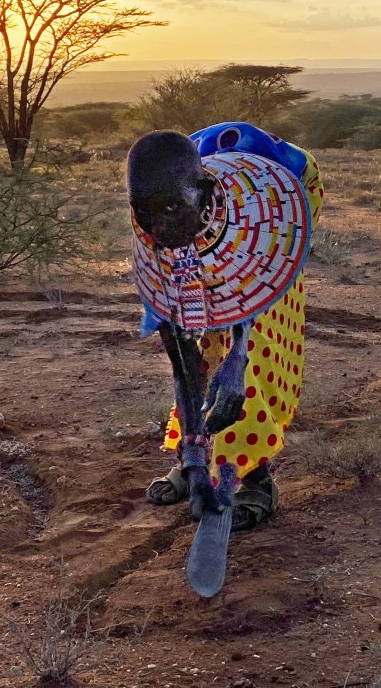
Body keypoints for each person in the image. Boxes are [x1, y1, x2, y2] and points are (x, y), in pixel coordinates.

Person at [126, 122, 324, 531]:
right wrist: (196, 462)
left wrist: (238, 357)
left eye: (170, 212)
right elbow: (182, 360)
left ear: (204, 196)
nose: (160, 228)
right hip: (208, 213)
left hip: (288, 195)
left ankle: (254, 476)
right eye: (149, 215)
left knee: (257, 357)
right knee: (204, 356)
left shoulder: (268, 213)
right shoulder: (154, 231)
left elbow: (249, 301)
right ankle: (192, 457)